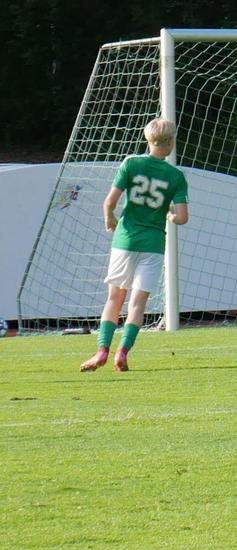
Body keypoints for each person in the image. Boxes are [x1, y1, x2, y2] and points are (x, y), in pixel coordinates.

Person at [80, 118, 189, 371]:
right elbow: (182, 217)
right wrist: (170, 215)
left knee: (114, 298)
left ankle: (102, 351)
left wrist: (110, 218)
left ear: (148, 139)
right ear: (170, 142)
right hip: (153, 244)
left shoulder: (131, 163)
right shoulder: (176, 176)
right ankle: (122, 352)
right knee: (138, 303)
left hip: (125, 240)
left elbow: (109, 203)